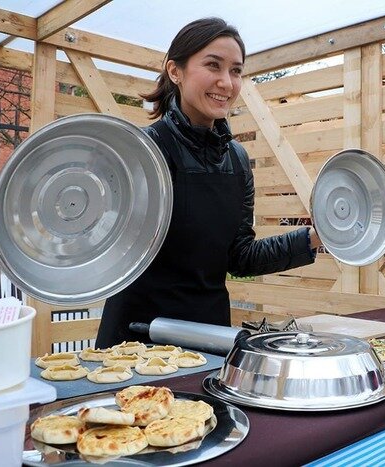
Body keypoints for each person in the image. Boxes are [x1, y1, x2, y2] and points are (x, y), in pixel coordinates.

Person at [95, 17, 321, 348]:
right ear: (176, 71)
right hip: (139, 339)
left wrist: (314, 238)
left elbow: (240, 257)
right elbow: (107, 246)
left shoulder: (237, 160)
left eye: (236, 70)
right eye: (213, 65)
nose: (226, 82)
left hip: (210, 340)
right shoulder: (142, 151)